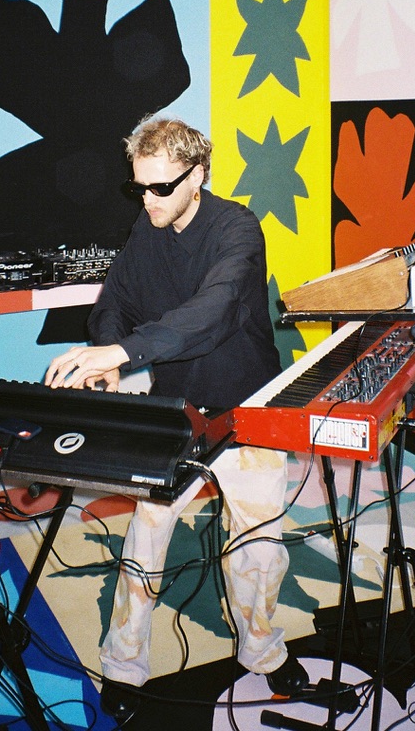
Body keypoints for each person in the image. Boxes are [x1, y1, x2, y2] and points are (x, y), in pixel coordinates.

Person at [45, 116, 309, 724]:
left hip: (247, 407)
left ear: (199, 177)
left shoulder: (237, 229)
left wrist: (122, 353)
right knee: (146, 535)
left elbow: (212, 312)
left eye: (161, 187)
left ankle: (263, 653)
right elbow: (113, 302)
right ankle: (124, 665)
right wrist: (108, 352)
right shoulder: (149, 225)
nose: (148, 200)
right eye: (139, 187)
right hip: (178, 409)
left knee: (258, 546)